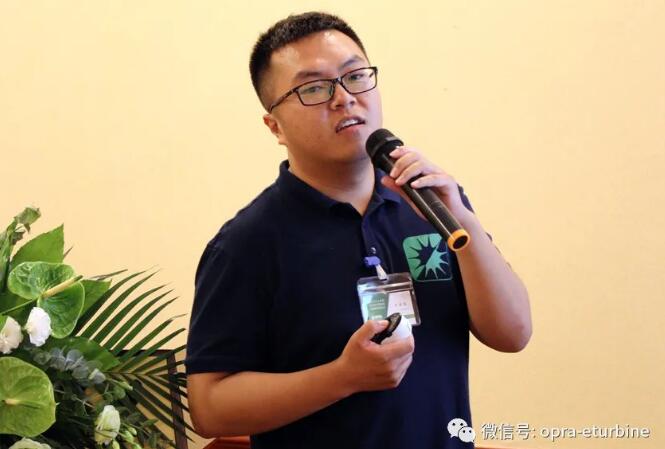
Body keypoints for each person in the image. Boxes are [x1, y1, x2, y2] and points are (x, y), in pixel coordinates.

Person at [186, 11, 532, 449]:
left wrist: (465, 222)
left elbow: (513, 334)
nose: (344, 98)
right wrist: (342, 377)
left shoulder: (433, 204)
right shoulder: (246, 244)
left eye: (355, 76)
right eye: (314, 88)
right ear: (274, 126)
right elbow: (210, 407)